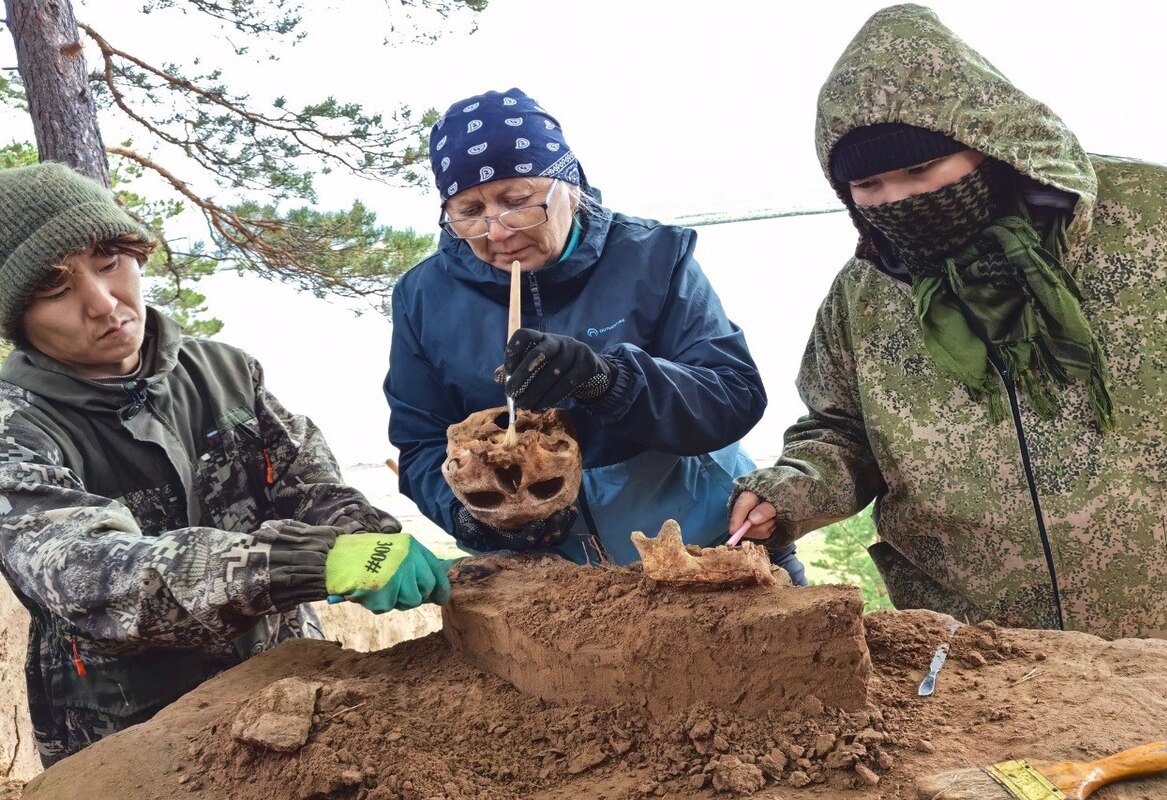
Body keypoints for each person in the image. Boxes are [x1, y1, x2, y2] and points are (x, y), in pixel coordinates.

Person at [729, 4, 1167, 640]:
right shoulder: (865, 294)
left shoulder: (1153, 215)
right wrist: (788, 494)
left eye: (922, 171)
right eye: (870, 185)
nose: (899, 199)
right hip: (982, 646)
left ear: (990, 147)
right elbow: (839, 431)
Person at [0, 162, 450, 766]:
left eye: (110, 264)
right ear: (17, 318)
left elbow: (310, 488)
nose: (104, 303)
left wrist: (370, 542)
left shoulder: (227, 371)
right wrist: (309, 562)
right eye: (57, 290)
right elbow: (94, 578)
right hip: (131, 733)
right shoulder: (15, 427)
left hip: (289, 689)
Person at [385, 88, 806, 583]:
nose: (495, 232)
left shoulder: (653, 257)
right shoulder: (423, 296)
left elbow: (732, 397)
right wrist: (477, 519)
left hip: (704, 548)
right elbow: (421, 445)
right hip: (557, 585)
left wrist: (608, 381)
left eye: (517, 201)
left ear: (571, 185)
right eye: (469, 211)